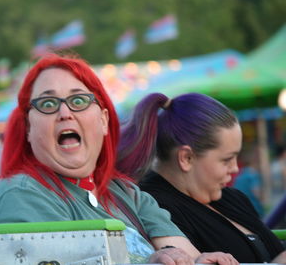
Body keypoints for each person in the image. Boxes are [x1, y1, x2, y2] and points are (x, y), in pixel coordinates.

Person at [0, 54, 237, 265]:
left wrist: (194, 260)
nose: (64, 112)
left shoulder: (127, 193)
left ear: (103, 120)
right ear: (28, 128)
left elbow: (182, 253)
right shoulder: (21, 193)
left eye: (78, 100)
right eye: (48, 104)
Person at [116, 92, 286, 263]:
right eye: (226, 159)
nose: (234, 168)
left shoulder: (233, 198)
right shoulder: (155, 208)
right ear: (186, 158)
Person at [233, 148, 264, 217]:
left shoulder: (239, 175)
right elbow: (257, 193)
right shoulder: (253, 175)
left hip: (242, 209)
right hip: (254, 209)